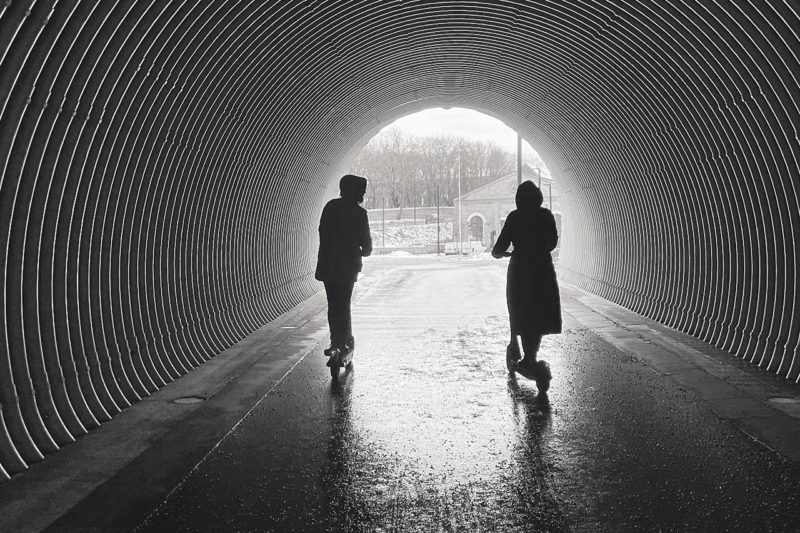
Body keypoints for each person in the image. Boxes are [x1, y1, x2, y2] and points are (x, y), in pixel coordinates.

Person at [492, 180, 561, 378]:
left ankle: (524, 355)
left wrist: (504, 254)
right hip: (543, 270)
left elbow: (498, 248)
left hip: (520, 270)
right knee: (538, 312)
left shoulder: (515, 217)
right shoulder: (546, 215)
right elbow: (552, 243)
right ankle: (531, 355)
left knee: (519, 309)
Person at [315, 174, 372, 357]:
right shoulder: (359, 213)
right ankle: (343, 342)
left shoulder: (330, 207)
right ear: (354, 190)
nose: (363, 192)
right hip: (347, 268)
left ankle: (335, 342)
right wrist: (360, 251)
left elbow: (322, 232)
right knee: (344, 304)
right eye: (362, 189)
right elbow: (367, 246)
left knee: (334, 304)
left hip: (328, 265)